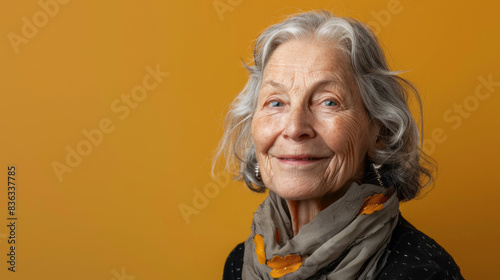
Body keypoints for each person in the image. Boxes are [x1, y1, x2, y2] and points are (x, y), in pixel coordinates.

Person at [214, 10, 464, 280]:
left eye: (328, 102)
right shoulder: (240, 263)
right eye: (276, 103)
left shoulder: (420, 272)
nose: (295, 127)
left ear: (379, 130)